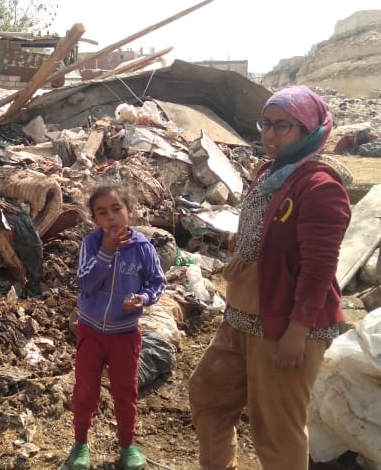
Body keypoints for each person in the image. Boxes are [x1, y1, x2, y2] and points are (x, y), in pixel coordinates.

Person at [188, 85, 353, 470]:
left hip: (287, 322)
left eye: (283, 127)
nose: (269, 135)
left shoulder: (321, 187)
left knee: (277, 431)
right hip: (243, 311)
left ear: (309, 130)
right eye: (265, 124)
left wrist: (298, 331)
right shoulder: (272, 172)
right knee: (208, 394)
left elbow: (319, 267)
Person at [66, 186, 168, 470]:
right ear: (95, 219)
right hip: (91, 331)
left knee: (125, 390)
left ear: (130, 211)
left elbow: (157, 282)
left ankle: (127, 445)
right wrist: (107, 252)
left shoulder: (143, 248)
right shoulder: (92, 243)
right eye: (102, 213)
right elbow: (85, 282)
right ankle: (80, 444)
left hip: (125, 333)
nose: (111, 217)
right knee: (86, 389)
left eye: (116, 209)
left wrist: (143, 299)